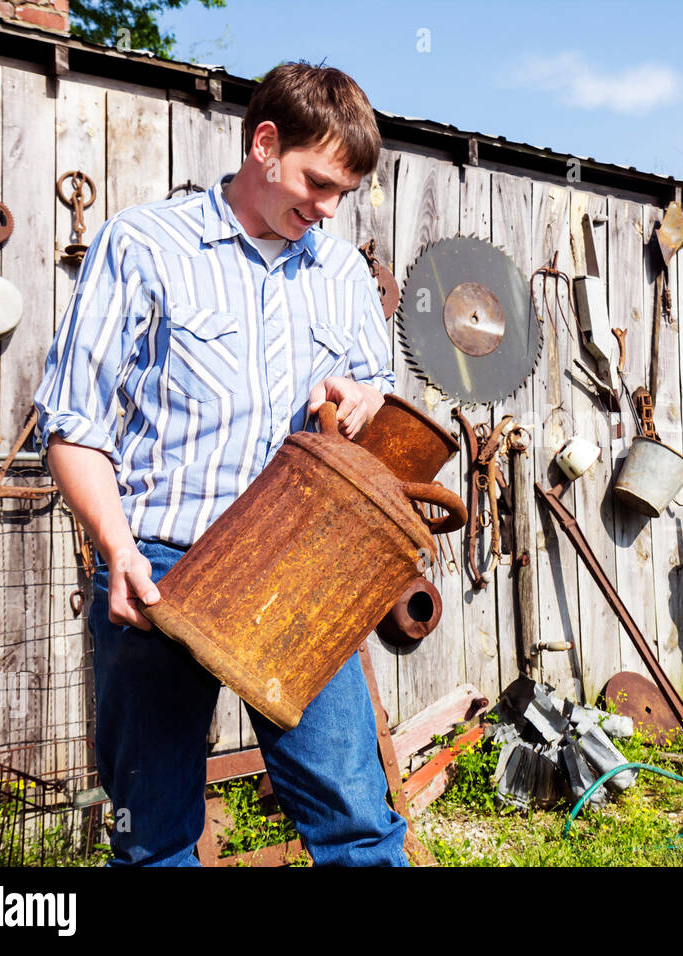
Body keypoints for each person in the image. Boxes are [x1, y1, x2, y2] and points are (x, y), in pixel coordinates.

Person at [33, 62, 407, 866]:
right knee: (153, 833)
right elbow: (72, 424)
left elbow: (377, 395)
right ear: (263, 144)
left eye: (344, 193)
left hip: (305, 572)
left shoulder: (341, 273)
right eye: (316, 182)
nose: (327, 209)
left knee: (356, 818)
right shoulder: (144, 244)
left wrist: (368, 396)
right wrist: (117, 549)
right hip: (162, 568)